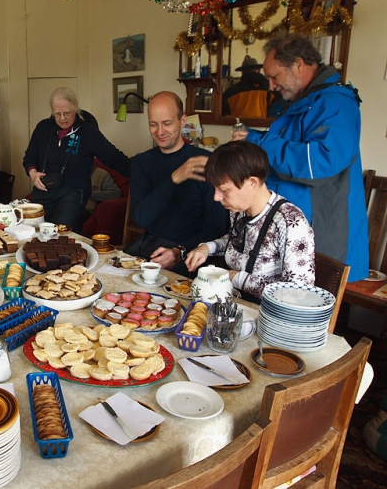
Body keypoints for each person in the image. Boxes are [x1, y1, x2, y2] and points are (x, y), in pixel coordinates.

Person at [231, 34, 369, 281]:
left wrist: (259, 142)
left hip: (321, 229)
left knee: (307, 306)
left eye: (275, 76)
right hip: (292, 224)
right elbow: (292, 144)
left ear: (298, 64)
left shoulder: (334, 104)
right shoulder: (306, 100)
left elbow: (318, 163)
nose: (271, 85)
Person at [185, 142, 315, 301]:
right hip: (234, 304)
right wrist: (207, 248)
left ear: (252, 183)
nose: (216, 197)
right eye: (215, 189)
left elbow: (298, 293)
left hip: (267, 315)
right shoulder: (240, 210)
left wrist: (236, 277)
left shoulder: (290, 222)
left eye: (224, 190)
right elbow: (237, 242)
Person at [125, 91, 226, 275]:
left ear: (182, 121)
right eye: (153, 124)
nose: (160, 132)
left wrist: (180, 251)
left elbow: (216, 226)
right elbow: (141, 218)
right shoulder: (141, 162)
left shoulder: (205, 162)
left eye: (167, 123)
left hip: (190, 254)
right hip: (149, 248)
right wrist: (174, 179)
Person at [22, 87, 131, 233]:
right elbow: (29, 157)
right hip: (43, 192)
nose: (62, 118)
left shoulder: (88, 132)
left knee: (61, 236)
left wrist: (141, 171)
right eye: (57, 114)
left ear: (76, 106)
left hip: (73, 193)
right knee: (34, 235)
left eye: (66, 113)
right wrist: (33, 173)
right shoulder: (43, 128)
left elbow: (113, 157)